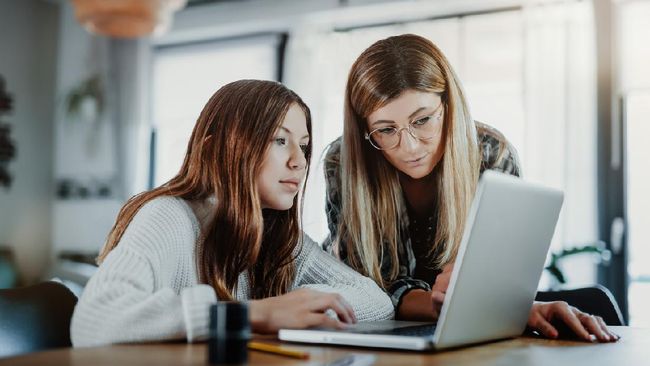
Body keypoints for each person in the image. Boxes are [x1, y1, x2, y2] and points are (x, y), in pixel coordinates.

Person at [323, 34, 618, 342]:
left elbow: (502, 281)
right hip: (382, 339)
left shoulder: (491, 154)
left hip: (472, 336)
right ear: (365, 130)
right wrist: (452, 306)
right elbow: (368, 289)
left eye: (422, 120)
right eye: (385, 130)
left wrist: (482, 303)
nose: (409, 147)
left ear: (448, 106)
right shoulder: (343, 162)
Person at [71, 80, 393, 347]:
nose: (299, 161)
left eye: (304, 145)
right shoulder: (168, 216)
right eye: (280, 140)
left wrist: (303, 303)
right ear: (217, 149)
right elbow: (94, 320)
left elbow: (377, 302)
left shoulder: (278, 238)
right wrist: (253, 314)